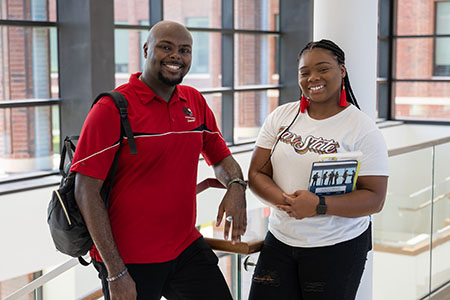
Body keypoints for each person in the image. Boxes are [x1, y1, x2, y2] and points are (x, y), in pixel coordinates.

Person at [72, 20, 247, 300]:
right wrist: (116, 272)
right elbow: (85, 190)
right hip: (130, 259)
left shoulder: (194, 101)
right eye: (166, 47)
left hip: (185, 247)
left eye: (184, 50)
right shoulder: (112, 108)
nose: (176, 56)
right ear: (146, 49)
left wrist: (237, 185)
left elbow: (221, 157)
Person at [247, 39, 389, 300]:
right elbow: (256, 174)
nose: (313, 77)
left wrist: (318, 205)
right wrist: (287, 202)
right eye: (305, 72)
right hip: (280, 240)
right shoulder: (280, 116)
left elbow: (375, 198)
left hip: (336, 248)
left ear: (342, 71)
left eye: (323, 69)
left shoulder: (362, 128)